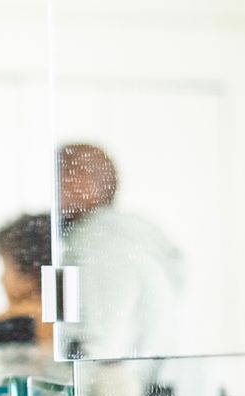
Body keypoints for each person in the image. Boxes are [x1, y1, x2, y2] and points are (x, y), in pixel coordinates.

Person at [56, 143, 185, 357]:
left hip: (115, 383)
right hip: (144, 379)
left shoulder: (100, 246)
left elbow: (100, 347)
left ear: (84, 181)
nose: (53, 192)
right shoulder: (128, 240)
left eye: (60, 178)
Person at [0, 211, 54, 353]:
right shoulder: (62, 317)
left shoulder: (12, 321)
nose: (1, 279)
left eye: (6, 268)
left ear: (31, 276)